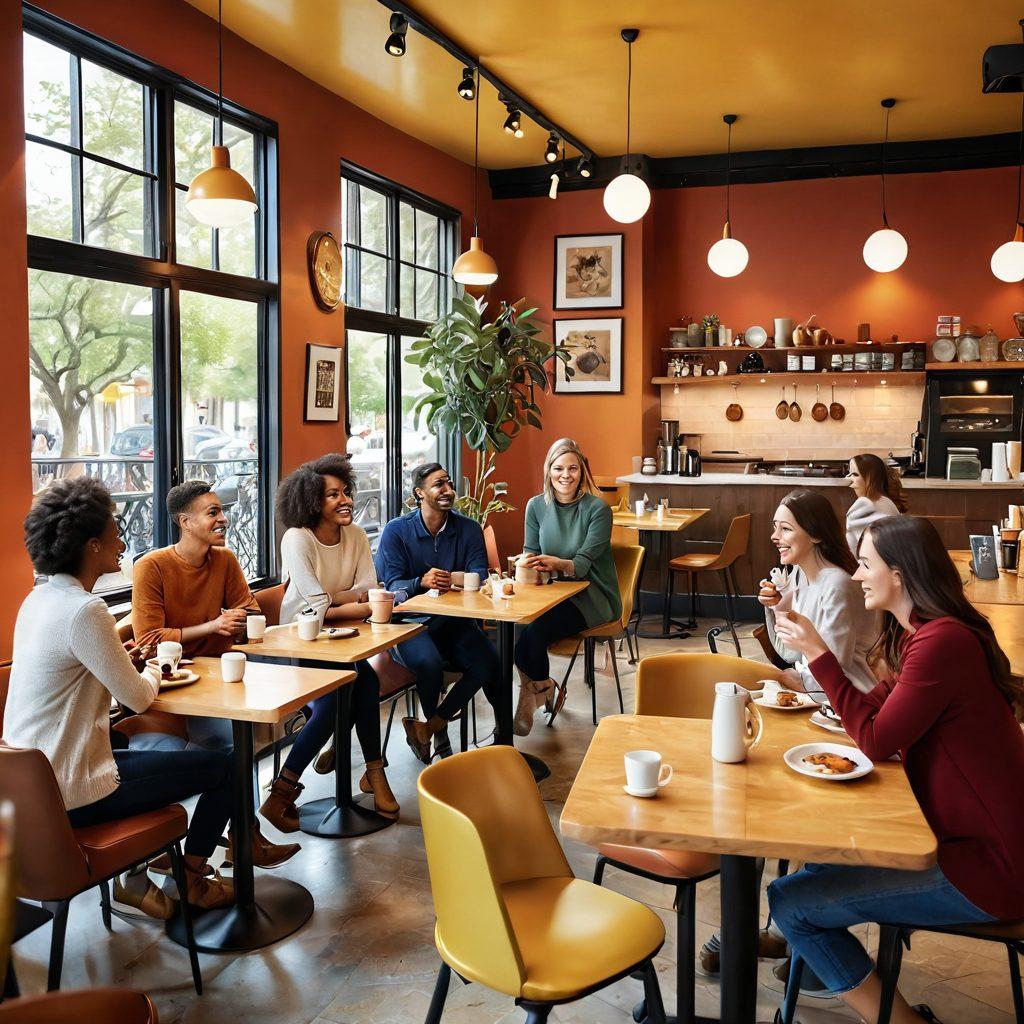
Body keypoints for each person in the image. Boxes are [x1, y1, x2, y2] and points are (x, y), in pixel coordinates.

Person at [768, 515, 1024, 1024]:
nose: (857, 575)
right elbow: (877, 710)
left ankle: (900, 1021)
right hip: (967, 845)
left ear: (901, 574)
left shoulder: (941, 644)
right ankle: (824, 966)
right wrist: (821, 656)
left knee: (790, 903)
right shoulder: (927, 637)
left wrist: (819, 655)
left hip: (990, 869)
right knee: (817, 868)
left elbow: (878, 740)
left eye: (865, 565)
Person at [2, 477, 234, 911]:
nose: (122, 540)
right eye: (114, 531)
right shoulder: (86, 610)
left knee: (149, 753)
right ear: (91, 546)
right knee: (226, 767)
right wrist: (153, 665)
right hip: (72, 790)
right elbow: (141, 699)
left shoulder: (38, 600)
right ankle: (191, 879)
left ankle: (137, 877)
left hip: (32, 788)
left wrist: (122, 658)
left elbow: (75, 674)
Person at [130, 479, 297, 869]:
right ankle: (239, 839)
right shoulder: (151, 568)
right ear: (185, 522)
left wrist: (239, 621)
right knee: (233, 747)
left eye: (222, 511)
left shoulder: (224, 560)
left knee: (248, 733)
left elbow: (253, 612)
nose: (223, 518)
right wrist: (212, 627)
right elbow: (149, 641)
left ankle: (240, 836)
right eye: (213, 513)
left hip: (223, 677)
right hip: (175, 686)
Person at [259, 454, 399, 828]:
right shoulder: (297, 539)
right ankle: (281, 794)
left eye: (346, 491)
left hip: (343, 638)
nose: (345, 500)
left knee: (364, 682)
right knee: (342, 697)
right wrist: (348, 602)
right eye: (332, 495)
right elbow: (313, 605)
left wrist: (336, 601)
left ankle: (371, 771)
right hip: (297, 641)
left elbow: (370, 588)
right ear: (311, 503)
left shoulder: (354, 535)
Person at [374, 462, 500, 763]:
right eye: (438, 485)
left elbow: (479, 575)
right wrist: (421, 581)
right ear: (419, 493)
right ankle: (438, 737)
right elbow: (393, 586)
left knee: (490, 661)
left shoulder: (468, 528)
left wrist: (446, 577)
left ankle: (431, 726)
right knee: (428, 664)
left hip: (452, 621)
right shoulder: (397, 531)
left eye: (448, 483)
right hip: (407, 624)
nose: (447, 490)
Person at [513, 437, 620, 735]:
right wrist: (527, 562)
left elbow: (583, 565)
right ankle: (544, 688)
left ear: (583, 472)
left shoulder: (598, 509)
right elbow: (530, 550)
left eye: (573, 468)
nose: (565, 475)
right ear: (548, 471)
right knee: (515, 633)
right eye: (558, 468)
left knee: (532, 635)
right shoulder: (536, 506)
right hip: (550, 593)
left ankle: (530, 698)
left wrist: (557, 564)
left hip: (592, 596)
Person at [761, 488, 879, 702]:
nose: (774, 537)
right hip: (815, 693)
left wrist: (798, 681)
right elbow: (792, 650)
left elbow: (837, 667)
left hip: (848, 700)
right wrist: (778, 606)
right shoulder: (799, 574)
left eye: (785, 529)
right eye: (775, 528)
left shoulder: (837, 584)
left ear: (815, 534)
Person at [846, 453, 908, 551]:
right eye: (849, 474)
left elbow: (856, 549)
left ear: (870, 478)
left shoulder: (865, 504)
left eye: (855, 474)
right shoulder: (886, 501)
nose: (848, 479)